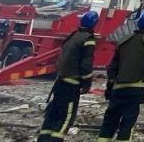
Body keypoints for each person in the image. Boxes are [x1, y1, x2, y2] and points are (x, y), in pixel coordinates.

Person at [98, 9, 144, 142]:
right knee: (127, 124)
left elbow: (112, 67)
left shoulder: (123, 41)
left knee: (109, 121)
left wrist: (109, 88)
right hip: (136, 91)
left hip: (118, 89)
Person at [36, 11, 98, 142]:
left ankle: (43, 139)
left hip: (60, 81)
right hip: (71, 85)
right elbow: (86, 64)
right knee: (66, 117)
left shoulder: (74, 35)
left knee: (53, 114)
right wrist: (87, 83)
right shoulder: (88, 39)